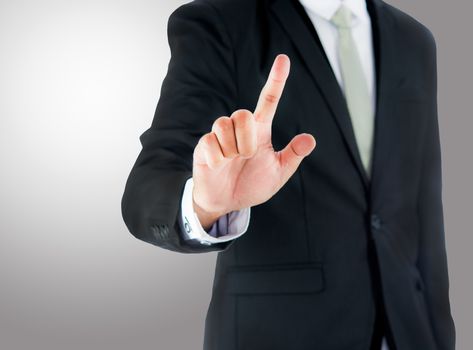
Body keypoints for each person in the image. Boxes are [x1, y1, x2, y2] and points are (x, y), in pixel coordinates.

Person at [121, 0, 455, 349]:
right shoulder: (219, 23)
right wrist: (204, 204)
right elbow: (151, 180)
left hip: (407, 332)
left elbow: (424, 208)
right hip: (280, 334)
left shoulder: (415, 41)